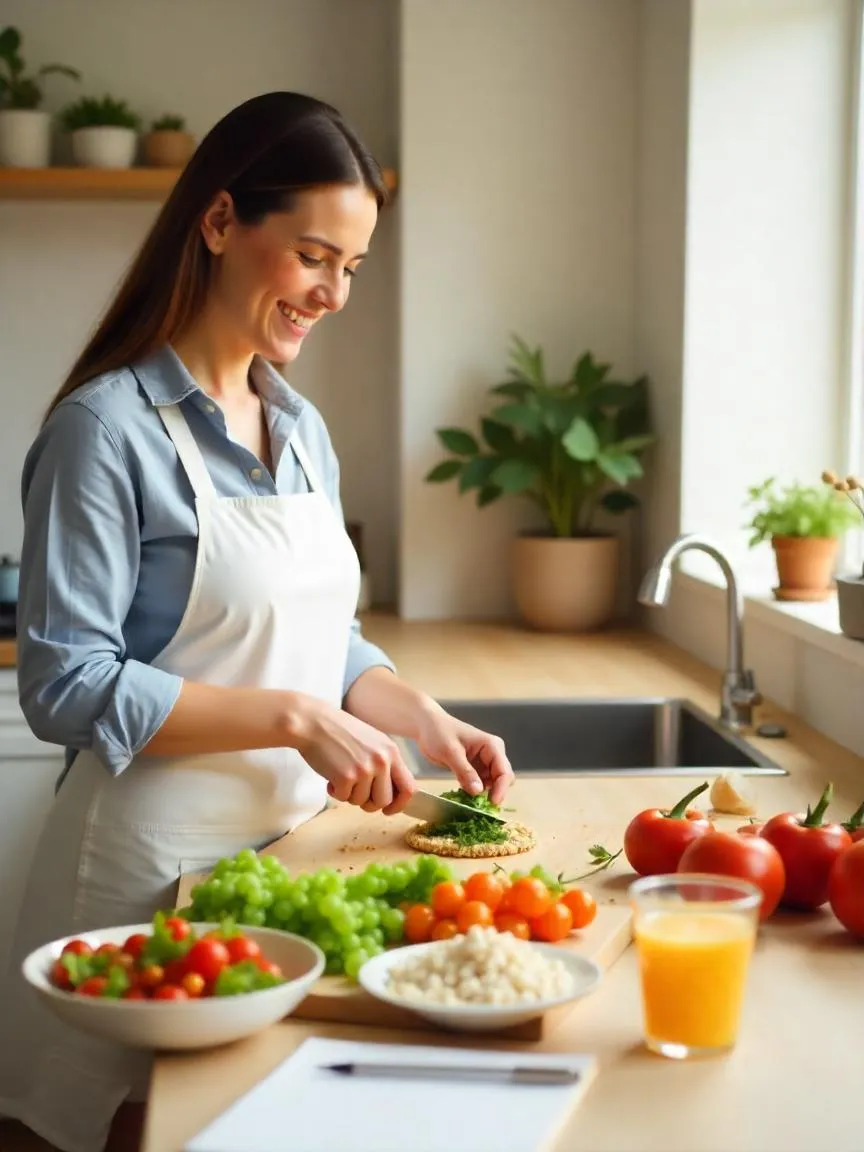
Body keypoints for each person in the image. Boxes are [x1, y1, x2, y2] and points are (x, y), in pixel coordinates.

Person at [0, 91, 513, 1152]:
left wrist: (413, 710)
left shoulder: (299, 425)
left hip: (281, 865)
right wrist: (292, 720)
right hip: (138, 875)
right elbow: (62, 683)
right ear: (223, 222)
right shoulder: (105, 431)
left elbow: (326, 636)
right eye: (316, 257)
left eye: (354, 269)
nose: (333, 294)